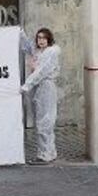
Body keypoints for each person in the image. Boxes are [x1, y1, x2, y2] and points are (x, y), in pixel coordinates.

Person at [20, 27, 60, 165]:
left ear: (49, 39)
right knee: (42, 120)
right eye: (39, 38)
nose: (41, 40)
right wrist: (20, 33)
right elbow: (27, 47)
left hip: (46, 87)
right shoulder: (39, 52)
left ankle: (45, 155)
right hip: (39, 88)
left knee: (45, 121)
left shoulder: (51, 53)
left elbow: (42, 71)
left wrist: (27, 85)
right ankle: (49, 152)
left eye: (44, 38)